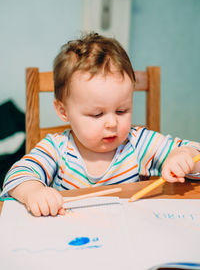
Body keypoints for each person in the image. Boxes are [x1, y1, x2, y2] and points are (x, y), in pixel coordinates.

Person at [1, 33, 200, 216]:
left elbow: (196, 153)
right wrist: (34, 192)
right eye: (97, 114)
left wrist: (185, 157)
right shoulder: (57, 148)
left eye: (122, 111)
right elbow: (16, 175)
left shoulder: (137, 142)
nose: (112, 123)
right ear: (63, 111)